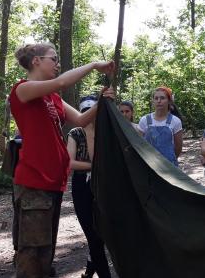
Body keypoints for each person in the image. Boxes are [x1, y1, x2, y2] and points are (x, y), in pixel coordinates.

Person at [9, 43, 114, 277]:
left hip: (54, 183)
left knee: (45, 253)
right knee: (31, 254)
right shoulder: (22, 89)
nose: (57, 64)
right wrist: (94, 65)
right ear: (36, 61)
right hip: (33, 183)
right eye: (53, 59)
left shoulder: (53, 98)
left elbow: (79, 120)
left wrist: (101, 102)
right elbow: (62, 82)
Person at [67, 96, 112, 278]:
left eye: (91, 111)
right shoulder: (75, 133)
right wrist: (95, 166)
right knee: (92, 234)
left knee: (102, 234)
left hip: (104, 186)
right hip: (82, 186)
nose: (88, 114)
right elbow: (70, 163)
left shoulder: (106, 132)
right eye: (84, 111)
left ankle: (91, 268)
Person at [138, 87, 183, 167]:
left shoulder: (175, 121)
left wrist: (170, 160)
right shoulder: (144, 120)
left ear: (169, 101)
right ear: (153, 101)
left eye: (162, 98)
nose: (159, 101)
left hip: (169, 166)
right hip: (148, 165)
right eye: (156, 98)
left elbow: (178, 147)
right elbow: (139, 144)